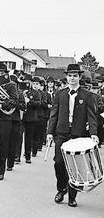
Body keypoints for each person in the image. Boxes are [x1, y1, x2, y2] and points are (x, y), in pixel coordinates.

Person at [47, 64, 98, 207]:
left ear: (80, 77)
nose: (72, 78)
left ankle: (72, 196)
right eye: (69, 75)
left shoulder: (87, 95)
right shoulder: (59, 94)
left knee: (74, 167)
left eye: (75, 75)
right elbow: (54, 114)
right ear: (66, 77)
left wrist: (94, 134)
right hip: (61, 133)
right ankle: (61, 188)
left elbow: (91, 116)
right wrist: (50, 132)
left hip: (78, 135)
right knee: (58, 163)